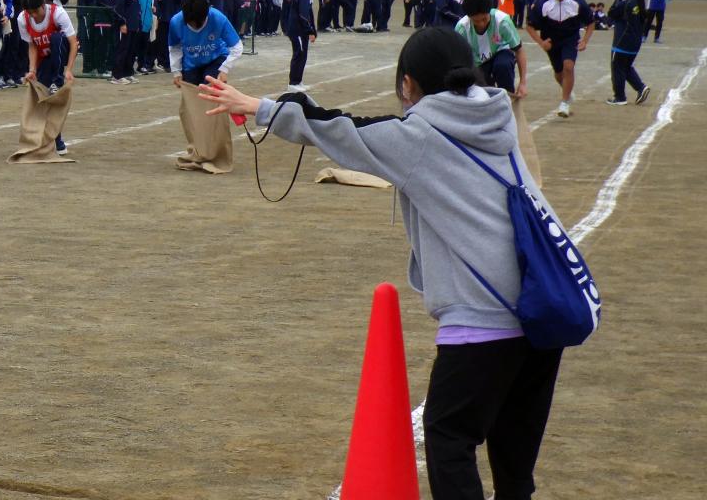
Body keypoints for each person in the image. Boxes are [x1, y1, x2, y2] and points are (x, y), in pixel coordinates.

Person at [200, 26, 568, 500]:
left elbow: (344, 131)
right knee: (513, 462)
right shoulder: (495, 119)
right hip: (544, 311)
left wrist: (261, 107)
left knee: (449, 438)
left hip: (484, 319)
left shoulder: (419, 137)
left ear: (407, 84)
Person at [18, 0, 79, 156]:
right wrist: (32, 69)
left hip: (61, 54)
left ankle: (57, 80)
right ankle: (56, 141)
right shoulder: (22, 19)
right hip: (44, 61)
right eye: (30, 13)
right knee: (44, 103)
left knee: (57, 38)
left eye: (36, 11)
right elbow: (31, 45)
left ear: (43, 5)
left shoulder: (57, 13)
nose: (34, 16)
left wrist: (68, 70)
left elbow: (73, 42)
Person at [525, 0, 594, 119]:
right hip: (551, 42)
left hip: (570, 39)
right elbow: (530, 26)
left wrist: (585, 41)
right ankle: (567, 91)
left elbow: (590, 22)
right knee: (558, 73)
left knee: (568, 66)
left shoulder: (578, 2)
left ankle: (564, 103)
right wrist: (541, 42)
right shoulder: (542, 4)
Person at [455, 0, 527, 97]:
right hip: (478, 62)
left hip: (501, 52)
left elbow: (519, 50)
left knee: (503, 66)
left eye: (484, 19)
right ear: (469, 17)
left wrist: (523, 83)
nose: (481, 24)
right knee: (482, 93)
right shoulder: (461, 28)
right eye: (476, 21)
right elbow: (457, 59)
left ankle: (508, 100)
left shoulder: (503, 21)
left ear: (490, 11)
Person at [168, 0, 242, 88]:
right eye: (191, 24)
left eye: (199, 24)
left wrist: (224, 69)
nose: (195, 27)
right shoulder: (176, 22)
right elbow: (175, 48)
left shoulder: (218, 18)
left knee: (208, 88)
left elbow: (237, 46)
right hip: (191, 63)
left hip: (216, 58)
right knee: (191, 94)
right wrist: (177, 72)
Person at [606, 0, 651, 107]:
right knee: (626, 67)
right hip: (635, 42)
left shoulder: (626, 3)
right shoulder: (640, 3)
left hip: (622, 41)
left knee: (617, 67)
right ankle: (641, 88)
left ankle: (620, 97)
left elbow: (611, 12)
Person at [283, 0, 318, 92]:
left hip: (301, 30)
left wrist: (313, 30)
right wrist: (309, 31)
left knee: (303, 55)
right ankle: (293, 82)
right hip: (297, 30)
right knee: (299, 54)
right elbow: (303, 15)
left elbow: (309, 13)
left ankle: (298, 81)